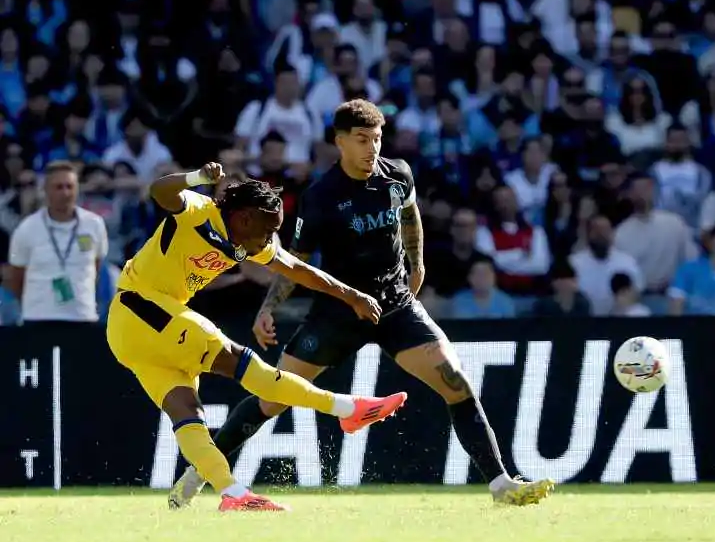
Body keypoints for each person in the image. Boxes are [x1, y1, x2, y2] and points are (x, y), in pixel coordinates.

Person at [170, 100, 554, 508]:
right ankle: (198, 473)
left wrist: (417, 261)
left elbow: (410, 216)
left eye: (377, 139)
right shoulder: (321, 197)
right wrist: (269, 307)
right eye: (362, 140)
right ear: (340, 142)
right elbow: (295, 261)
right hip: (339, 311)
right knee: (272, 398)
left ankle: (501, 484)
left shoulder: (398, 175)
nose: (372, 148)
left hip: (395, 305)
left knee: (455, 381)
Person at [107, 163, 406, 513]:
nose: (270, 239)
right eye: (269, 229)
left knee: (188, 414)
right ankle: (348, 408)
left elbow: (297, 270)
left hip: (131, 334)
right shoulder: (199, 211)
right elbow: (159, 191)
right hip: (142, 307)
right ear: (245, 218)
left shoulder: (247, 242)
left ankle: (232, 494)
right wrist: (197, 179)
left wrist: (350, 295)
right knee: (241, 363)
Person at [5, 161, 109, 323]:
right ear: (46, 190)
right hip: (38, 318)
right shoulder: (27, 228)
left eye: (70, 187)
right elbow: (16, 278)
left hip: (82, 317)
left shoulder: (94, 224)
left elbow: (96, 268)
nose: (65, 193)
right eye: (59, 187)